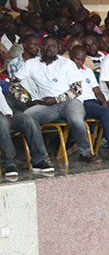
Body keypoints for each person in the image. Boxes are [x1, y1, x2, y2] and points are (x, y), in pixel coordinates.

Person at [11, 36, 102, 164]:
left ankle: (86, 152)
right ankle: (41, 157)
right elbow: (14, 84)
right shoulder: (31, 64)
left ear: (58, 48)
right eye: (46, 45)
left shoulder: (67, 63)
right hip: (46, 105)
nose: (49, 48)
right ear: (41, 47)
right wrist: (26, 100)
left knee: (76, 120)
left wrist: (56, 99)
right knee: (28, 117)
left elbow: (77, 90)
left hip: (69, 102)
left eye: (53, 45)